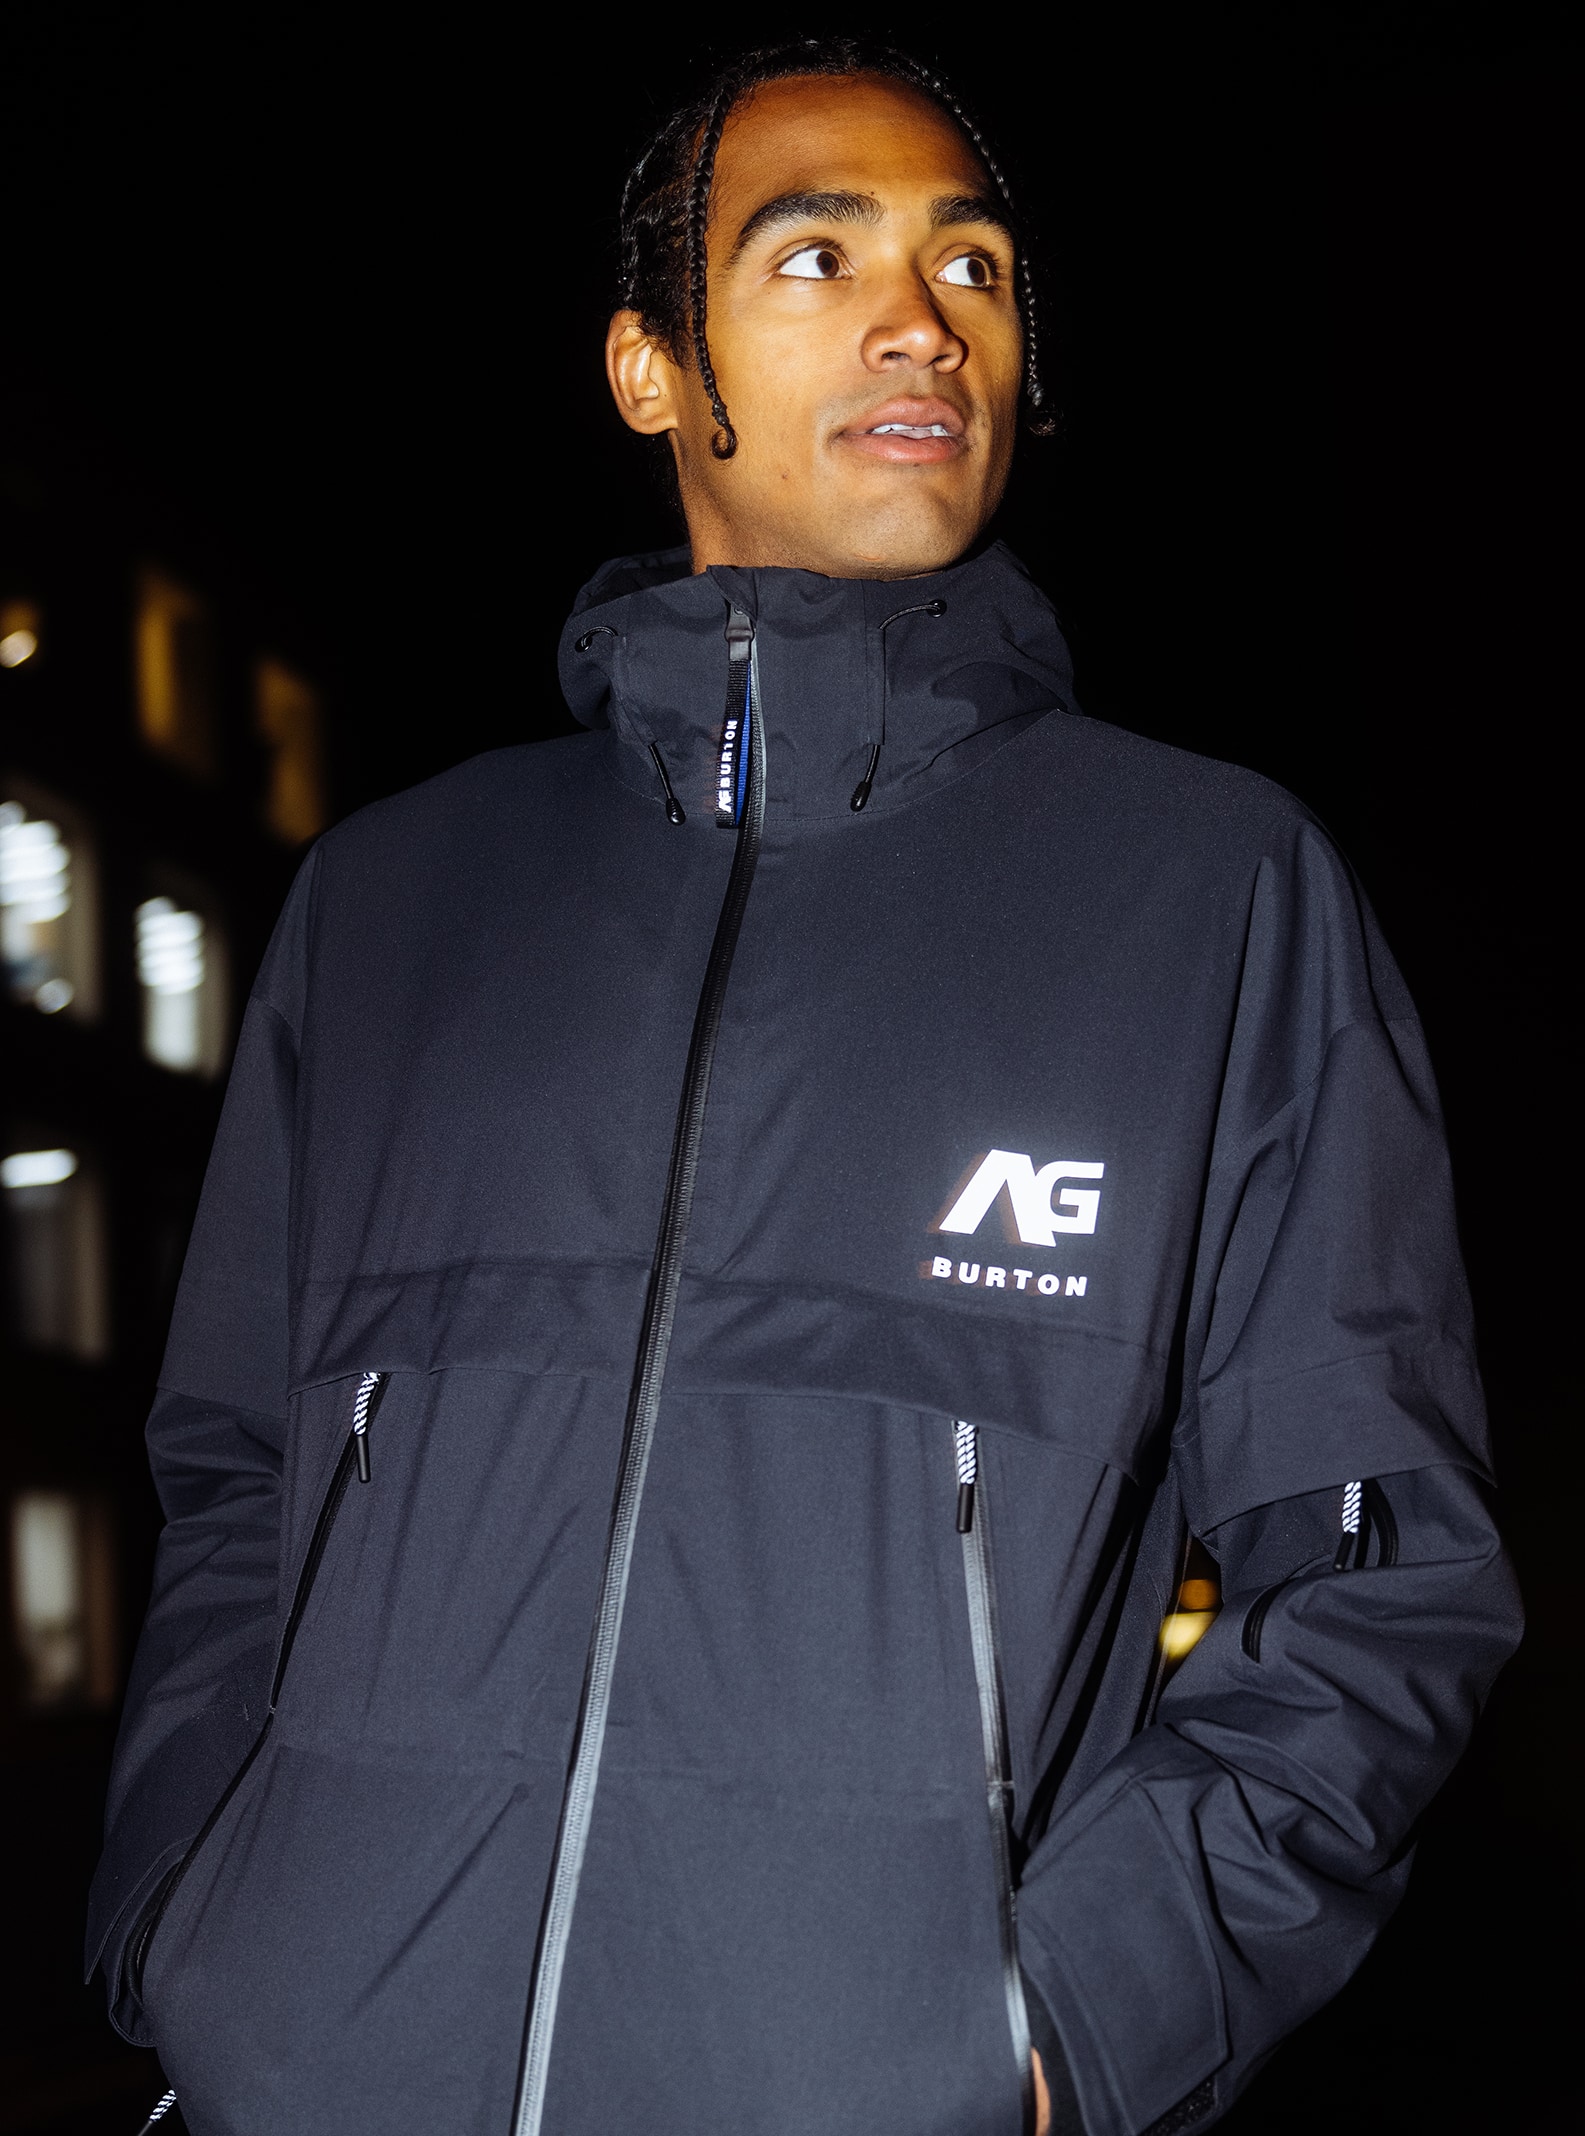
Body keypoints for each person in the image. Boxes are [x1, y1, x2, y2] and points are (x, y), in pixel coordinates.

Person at [90, 38, 1520, 2136]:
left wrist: (1055, 2038)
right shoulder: (394, 900)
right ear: (649, 369)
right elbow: (234, 1477)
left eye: (975, 266)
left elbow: (1380, 1567)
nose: (922, 319)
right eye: (815, 255)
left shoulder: (1210, 888)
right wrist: (189, 1926)